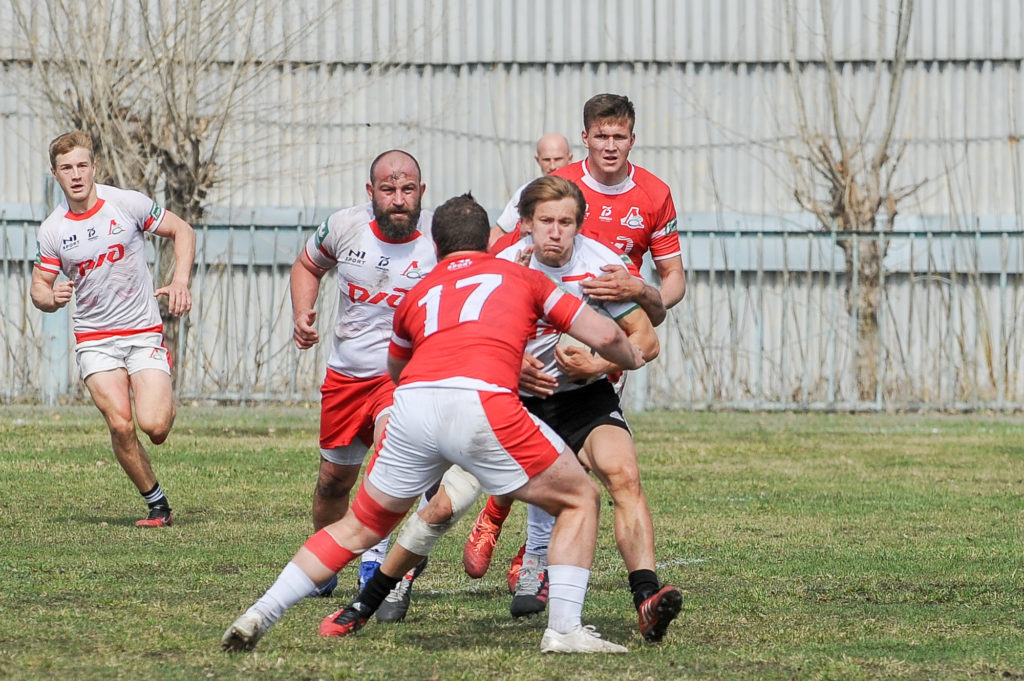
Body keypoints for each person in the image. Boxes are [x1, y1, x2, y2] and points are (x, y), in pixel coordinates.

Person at [222, 193, 645, 654]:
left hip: (414, 407)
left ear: (436, 246)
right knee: (580, 497)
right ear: (488, 242)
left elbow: (397, 368)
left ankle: (260, 612)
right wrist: (629, 357)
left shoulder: (418, 292)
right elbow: (606, 334)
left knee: (358, 527)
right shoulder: (520, 275)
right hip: (483, 403)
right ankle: (564, 629)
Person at [326, 177, 682, 644]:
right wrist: (510, 366)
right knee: (442, 507)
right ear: (526, 223)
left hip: (581, 398)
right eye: (546, 221)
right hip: (506, 400)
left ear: (580, 225)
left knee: (625, 476)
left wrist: (596, 364)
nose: (556, 232)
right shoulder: (503, 264)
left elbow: (646, 340)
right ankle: (369, 599)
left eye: (566, 222)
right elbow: (457, 339)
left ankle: (647, 599)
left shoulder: (599, 266)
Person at [468, 92, 686, 588]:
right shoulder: (557, 187)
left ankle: (538, 568)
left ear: (633, 139)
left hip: (607, 338)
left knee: (586, 466)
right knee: (540, 457)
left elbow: (672, 282)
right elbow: (500, 247)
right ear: (584, 138)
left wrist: (640, 290)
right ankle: (497, 518)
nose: (610, 146)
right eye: (601, 136)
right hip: (536, 347)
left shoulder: (654, 194)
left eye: (619, 136)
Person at [290, 149, 436, 601]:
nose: (399, 199)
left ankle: (375, 559)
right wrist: (302, 312)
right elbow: (307, 265)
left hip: (403, 377)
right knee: (333, 482)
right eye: (388, 189)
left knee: (389, 459)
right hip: (346, 378)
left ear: (421, 192)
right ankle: (327, 560)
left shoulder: (439, 238)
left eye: (407, 189)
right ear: (371, 192)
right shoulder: (344, 226)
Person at [31, 130, 195, 527]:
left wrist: (180, 282)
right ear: (56, 174)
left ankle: (158, 390)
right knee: (121, 423)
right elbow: (38, 288)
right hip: (95, 339)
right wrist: (51, 297)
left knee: (155, 426)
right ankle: (158, 505)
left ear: (94, 167)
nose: (76, 175)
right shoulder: (53, 229)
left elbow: (183, 231)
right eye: (66, 168)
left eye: (82, 166)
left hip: (142, 332)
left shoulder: (126, 204)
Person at [489, 133, 573, 246]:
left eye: (558, 159)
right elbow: (497, 234)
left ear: (569, 158)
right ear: (537, 160)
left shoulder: (582, 189)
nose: (552, 166)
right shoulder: (526, 192)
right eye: (546, 160)